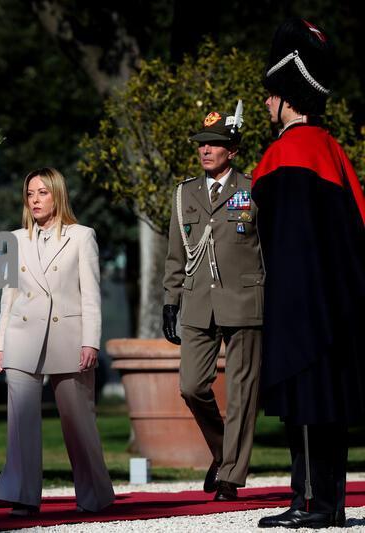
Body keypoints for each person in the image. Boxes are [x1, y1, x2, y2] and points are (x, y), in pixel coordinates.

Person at [252, 18, 365, 529]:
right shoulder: (333, 150)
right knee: (328, 406)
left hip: (301, 304)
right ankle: (328, 502)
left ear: (285, 98)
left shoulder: (288, 152)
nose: (265, 105)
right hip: (339, 304)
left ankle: (312, 503)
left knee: (306, 399)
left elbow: (277, 239)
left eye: (270, 96)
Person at [0, 167, 115, 516]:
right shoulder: (11, 240)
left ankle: (94, 496)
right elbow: (7, 298)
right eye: (30, 194)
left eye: (42, 193)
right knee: (20, 425)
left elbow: (91, 295)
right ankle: (22, 496)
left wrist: (91, 341)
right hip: (21, 338)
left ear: (57, 195)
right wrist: (0, 344)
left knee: (78, 423)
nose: (35, 200)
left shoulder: (82, 236)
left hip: (69, 338)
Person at [162, 103, 264, 502]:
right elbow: (176, 254)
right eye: (202, 143)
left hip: (245, 300)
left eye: (215, 144)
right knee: (191, 386)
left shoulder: (254, 190)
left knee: (242, 393)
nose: (205, 150)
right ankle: (224, 452)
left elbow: (268, 250)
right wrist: (170, 301)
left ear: (232, 150)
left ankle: (230, 477)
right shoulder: (184, 193)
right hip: (198, 302)